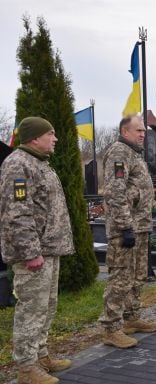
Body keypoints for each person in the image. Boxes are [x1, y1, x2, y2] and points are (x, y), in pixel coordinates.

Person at [0, 117, 75, 383]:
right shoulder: (18, 164)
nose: (55, 139)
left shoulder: (39, 163)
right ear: (34, 137)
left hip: (49, 249)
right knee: (31, 309)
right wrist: (30, 252)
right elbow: (17, 214)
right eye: (50, 134)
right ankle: (26, 368)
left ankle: (41, 354)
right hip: (33, 253)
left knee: (47, 306)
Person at [100, 115, 156, 349]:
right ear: (125, 132)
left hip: (140, 226)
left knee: (136, 276)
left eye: (144, 131)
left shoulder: (134, 153)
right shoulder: (119, 152)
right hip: (125, 228)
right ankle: (110, 328)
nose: (143, 134)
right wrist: (125, 226)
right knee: (120, 279)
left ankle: (131, 318)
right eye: (138, 130)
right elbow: (115, 192)